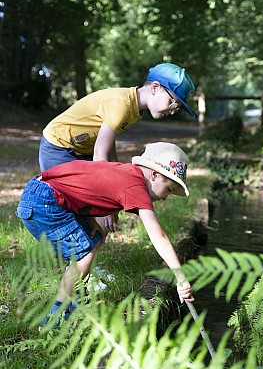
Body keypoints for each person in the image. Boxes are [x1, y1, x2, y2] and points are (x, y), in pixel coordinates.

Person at [16, 142, 194, 326]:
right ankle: (56, 317)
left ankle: (76, 299)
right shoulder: (135, 186)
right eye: (169, 189)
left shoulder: (126, 174)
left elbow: (83, 187)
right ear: (154, 174)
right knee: (84, 254)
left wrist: (91, 221)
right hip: (45, 202)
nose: (165, 197)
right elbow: (159, 236)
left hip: (41, 195)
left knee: (95, 237)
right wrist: (180, 277)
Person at [39, 62, 196, 233]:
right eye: (173, 102)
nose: (173, 110)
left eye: (177, 108)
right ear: (156, 88)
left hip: (82, 149)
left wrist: (113, 189)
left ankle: (84, 249)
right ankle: (62, 248)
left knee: (88, 210)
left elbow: (108, 144)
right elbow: (100, 151)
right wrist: (104, 199)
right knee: (71, 203)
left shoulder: (135, 108)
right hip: (59, 145)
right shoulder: (122, 104)